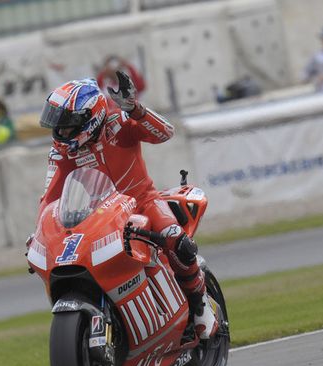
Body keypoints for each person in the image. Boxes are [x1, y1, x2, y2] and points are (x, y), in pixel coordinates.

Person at [37, 73, 217, 340]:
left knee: (176, 240)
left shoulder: (120, 123)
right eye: (58, 126)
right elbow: (49, 199)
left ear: (91, 118)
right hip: (98, 216)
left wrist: (136, 109)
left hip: (143, 202)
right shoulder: (62, 151)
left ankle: (201, 306)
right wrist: (41, 233)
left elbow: (166, 133)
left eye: (67, 126)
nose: (61, 133)